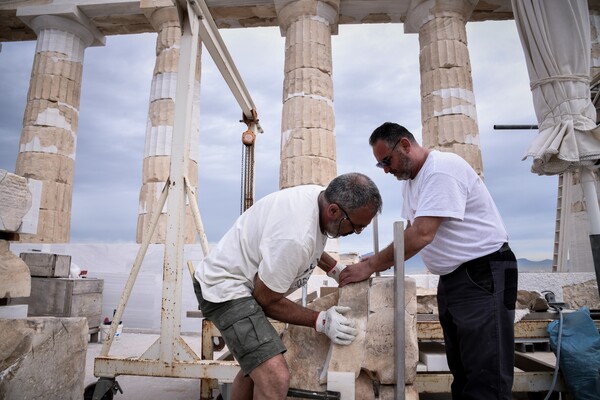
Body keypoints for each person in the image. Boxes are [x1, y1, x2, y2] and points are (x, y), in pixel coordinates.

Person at [339, 122, 518, 400]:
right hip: (454, 278)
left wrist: (371, 265)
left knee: (486, 376)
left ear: (406, 145)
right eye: (380, 166)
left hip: (483, 272)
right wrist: (371, 257)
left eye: (387, 161)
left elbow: (421, 234)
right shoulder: (412, 183)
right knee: (462, 371)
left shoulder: (441, 170)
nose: (386, 170)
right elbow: (410, 231)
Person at [193, 172, 382, 400]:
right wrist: (320, 320)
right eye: (356, 227)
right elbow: (266, 299)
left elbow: (311, 243)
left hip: (246, 284)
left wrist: (335, 269)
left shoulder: (319, 198)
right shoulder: (294, 237)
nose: (355, 233)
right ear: (333, 210)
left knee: (256, 364)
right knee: (275, 377)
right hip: (225, 289)